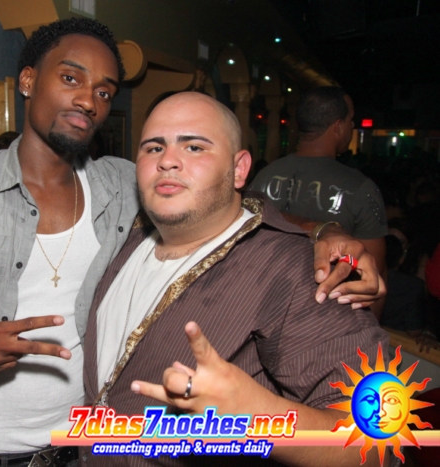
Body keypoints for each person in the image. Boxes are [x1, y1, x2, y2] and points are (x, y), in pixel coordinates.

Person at [0, 19, 384, 467]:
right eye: (70, 78)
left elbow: (221, 202)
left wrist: (324, 231)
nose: (89, 100)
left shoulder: (123, 185)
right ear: (27, 81)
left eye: (103, 91)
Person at [84, 92, 387, 466]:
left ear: (239, 169)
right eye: (154, 148)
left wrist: (257, 416)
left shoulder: (294, 271)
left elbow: (379, 440)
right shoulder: (127, 234)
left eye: (194, 147)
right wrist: (323, 226)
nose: (167, 161)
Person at [249, 87, 388, 317]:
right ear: (338, 126)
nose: (352, 126)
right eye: (351, 120)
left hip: (260, 305)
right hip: (326, 317)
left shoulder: (263, 176)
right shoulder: (361, 188)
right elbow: (373, 277)